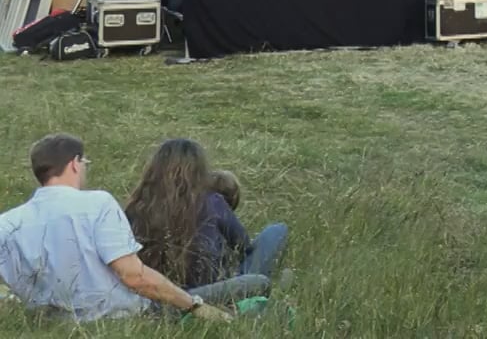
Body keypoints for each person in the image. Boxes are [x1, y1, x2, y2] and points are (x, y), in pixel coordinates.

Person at [0, 133, 249, 322]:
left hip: (55, 321)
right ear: (75, 163)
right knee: (256, 280)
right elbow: (134, 276)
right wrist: (195, 306)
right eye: (84, 162)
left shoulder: (8, 223)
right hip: (125, 313)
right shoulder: (97, 203)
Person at [124, 139, 288, 293]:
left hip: (158, 292)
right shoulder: (212, 201)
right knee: (276, 231)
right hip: (207, 292)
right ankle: (270, 290)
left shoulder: (137, 207)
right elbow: (243, 245)